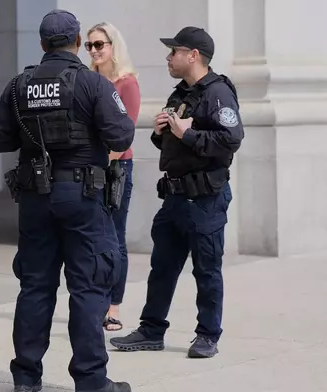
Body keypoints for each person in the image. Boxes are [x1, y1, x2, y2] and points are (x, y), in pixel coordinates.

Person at [0, 9, 135, 392]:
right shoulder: (91, 84)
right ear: (75, 43)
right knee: (87, 288)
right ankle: (91, 381)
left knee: (35, 286)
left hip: (36, 198)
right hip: (83, 196)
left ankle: (25, 379)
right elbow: (121, 136)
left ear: (41, 44)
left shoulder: (20, 85)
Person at [109, 26, 244, 359]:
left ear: (193, 55)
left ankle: (208, 335)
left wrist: (188, 135)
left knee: (207, 270)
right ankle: (151, 329)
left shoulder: (218, 93)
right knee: (163, 267)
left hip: (205, 198)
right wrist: (160, 134)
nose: (169, 58)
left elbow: (231, 140)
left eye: (174, 52)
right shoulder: (181, 94)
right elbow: (172, 143)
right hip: (174, 196)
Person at [86, 22, 140, 332]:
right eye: (90, 45)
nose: (94, 51)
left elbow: (125, 136)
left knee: (115, 238)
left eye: (99, 44)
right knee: (94, 239)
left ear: (113, 46)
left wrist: (100, 163)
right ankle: (96, 301)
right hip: (92, 168)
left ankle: (113, 306)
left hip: (116, 169)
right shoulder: (90, 82)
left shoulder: (126, 84)